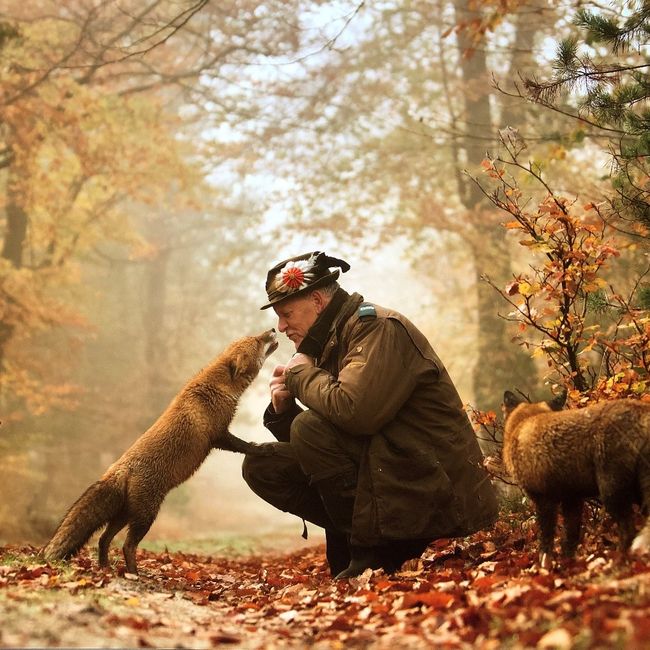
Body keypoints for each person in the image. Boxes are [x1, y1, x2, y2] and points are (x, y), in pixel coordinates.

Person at [242, 251, 498, 579]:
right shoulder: (327, 343)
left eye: (287, 313)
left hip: (432, 484)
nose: (281, 326)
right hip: (390, 470)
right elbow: (327, 446)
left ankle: (375, 555)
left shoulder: (376, 328)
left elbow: (356, 414)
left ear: (318, 301)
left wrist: (301, 377)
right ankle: (368, 546)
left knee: (309, 428)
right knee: (262, 464)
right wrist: (284, 410)